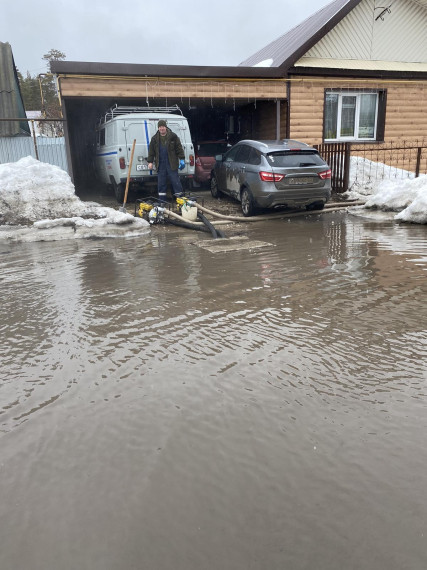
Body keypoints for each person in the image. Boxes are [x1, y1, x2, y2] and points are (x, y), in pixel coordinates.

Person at [147, 119, 186, 202]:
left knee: (176, 182)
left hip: (172, 163)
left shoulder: (173, 137)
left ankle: (181, 202)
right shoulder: (154, 139)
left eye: (163, 127)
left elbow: (179, 148)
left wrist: (182, 159)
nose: (162, 128)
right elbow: (151, 152)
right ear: (158, 128)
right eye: (160, 127)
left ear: (166, 127)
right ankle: (162, 202)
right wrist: (150, 162)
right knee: (161, 184)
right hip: (160, 164)